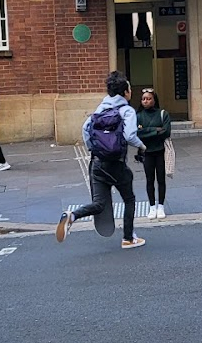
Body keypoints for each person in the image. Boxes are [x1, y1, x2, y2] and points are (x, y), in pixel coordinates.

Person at [55, 71, 146, 250]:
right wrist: (142, 147)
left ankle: (72, 215)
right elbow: (129, 136)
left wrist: (94, 149)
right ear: (126, 92)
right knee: (129, 199)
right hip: (117, 165)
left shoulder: (100, 109)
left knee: (99, 204)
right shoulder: (127, 110)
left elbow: (85, 129)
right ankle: (128, 238)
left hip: (97, 163)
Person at [136, 87, 171, 219]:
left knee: (161, 179)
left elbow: (166, 132)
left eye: (149, 98)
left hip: (161, 151)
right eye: (144, 99)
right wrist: (156, 130)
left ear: (154, 100)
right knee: (149, 180)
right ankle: (152, 206)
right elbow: (137, 134)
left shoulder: (163, 114)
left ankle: (161, 206)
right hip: (147, 152)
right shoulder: (138, 116)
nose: (146, 101)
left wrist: (147, 131)